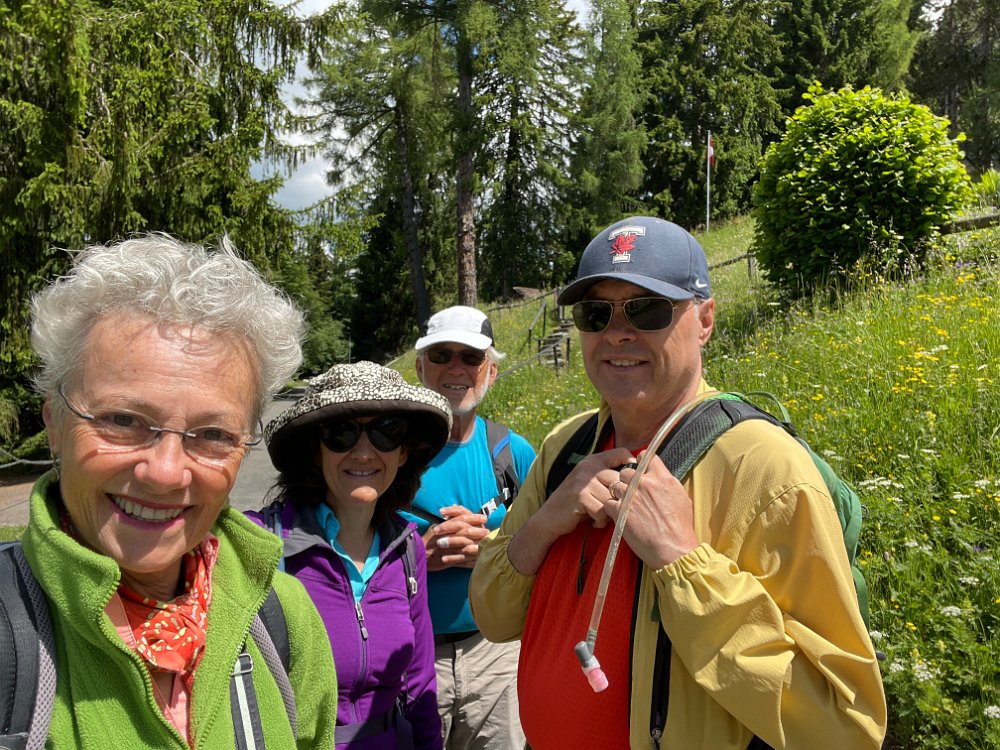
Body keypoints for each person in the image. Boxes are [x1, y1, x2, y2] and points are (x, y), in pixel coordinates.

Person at [469, 216, 888, 749]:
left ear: (705, 319)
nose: (617, 333)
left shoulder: (766, 470)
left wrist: (682, 561)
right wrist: (546, 522)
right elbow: (494, 617)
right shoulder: (564, 447)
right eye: (596, 313)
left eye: (647, 309)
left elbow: (847, 728)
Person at [15, 234, 338, 747]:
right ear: (55, 425)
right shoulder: (9, 637)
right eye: (123, 420)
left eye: (212, 434)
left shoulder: (282, 617)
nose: (166, 473)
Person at [248, 361, 452, 750]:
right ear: (315, 450)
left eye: (385, 432)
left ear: (403, 452)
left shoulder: (406, 549)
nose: (363, 453)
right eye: (341, 433)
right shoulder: (261, 541)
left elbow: (420, 684)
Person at [400, 306, 536, 750]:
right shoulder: (386, 453)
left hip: (495, 654)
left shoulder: (512, 453)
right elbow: (345, 552)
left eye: (471, 357)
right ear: (420, 368)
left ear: (491, 372)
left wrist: (493, 550)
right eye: (442, 355)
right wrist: (416, 558)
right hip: (410, 656)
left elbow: (553, 551)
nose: (456, 368)